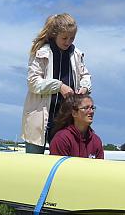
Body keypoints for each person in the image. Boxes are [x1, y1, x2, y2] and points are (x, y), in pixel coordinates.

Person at [21, 13, 91, 154]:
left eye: (72, 38)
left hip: (66, 119)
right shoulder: (41, 51)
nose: (68, 42)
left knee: (63, 164)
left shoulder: (76, 54)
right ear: (54, 35)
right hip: (40, 118)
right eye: (64, 38)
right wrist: (59, 86)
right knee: (34, 164)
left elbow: (86, 75)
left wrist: (84, 87)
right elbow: (33, 82)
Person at [49, 94, 104, 159]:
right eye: (86, 108)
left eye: (92, 108)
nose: (91, 111)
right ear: (74, 113)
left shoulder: (96, 141)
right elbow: (59, 167)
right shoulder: (62, 139)